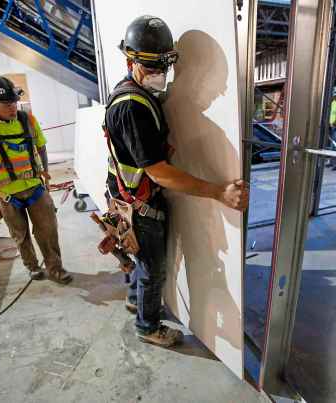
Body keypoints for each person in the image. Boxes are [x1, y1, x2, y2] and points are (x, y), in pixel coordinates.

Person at [104, 16, 249, 347]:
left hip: (126, 196)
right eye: (152, 68)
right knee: (154, 269)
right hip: (139, 203)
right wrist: (218, 192)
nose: (160, 75)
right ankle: (148, 325)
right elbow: (160, 172)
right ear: (131, 61)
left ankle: (133, 298)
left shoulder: (134, 91)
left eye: (164, 68)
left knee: (140, 259)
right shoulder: (132, 107)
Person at [0, 76, 72, 284]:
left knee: (48, 230)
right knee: (20, 233)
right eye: (7, 104)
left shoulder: (28, 120)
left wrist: (43, 172)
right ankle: (32, 267)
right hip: (6, 193)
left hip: (34, 186)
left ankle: (55, 268)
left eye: (14, 102)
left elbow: (41, 146)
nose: (13, 107)